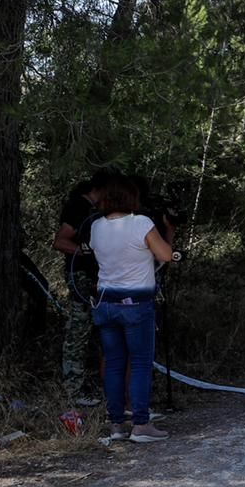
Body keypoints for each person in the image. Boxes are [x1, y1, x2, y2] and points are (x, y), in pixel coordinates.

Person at [88, 175, 174, 443]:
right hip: (136, 303)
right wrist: (168, 232)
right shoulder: (141, 223)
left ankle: (116, 424)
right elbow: (165, 255)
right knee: (139, 363)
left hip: (105, 303)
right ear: (130, 198)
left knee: (113, 363)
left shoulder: (96, 227)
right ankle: (141, 424)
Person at [54, 176, 104, 402]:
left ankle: (87, 383)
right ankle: (73, 388)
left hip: (94, 277)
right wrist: (85, 252)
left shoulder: (93, 209)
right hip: (81, 277)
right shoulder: (78, 206)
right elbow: (60, 241)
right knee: (79, 328)